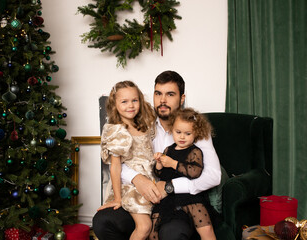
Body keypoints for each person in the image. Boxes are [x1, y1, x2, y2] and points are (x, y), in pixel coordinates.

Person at [93, 71, 221, 240]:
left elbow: (213, 176)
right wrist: (137, 178)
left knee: (171, 233)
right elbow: (121, 160)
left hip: (180, 201)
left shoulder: (194, 127)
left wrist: (170, 187)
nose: (162, 100)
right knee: (103, 221)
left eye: (170, 94)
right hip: (143, 198)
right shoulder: (142, 122)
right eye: (158, 93)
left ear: (182, 98)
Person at [97, 80, 156, 240]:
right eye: (124, 101)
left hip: (150, 182)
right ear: (115, 105)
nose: (131, 105)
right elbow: (115, 167)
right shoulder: (117, 131)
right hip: (131, 187)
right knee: (144, 227)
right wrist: (117, 198)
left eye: (134, 100)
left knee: (152, 229)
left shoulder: (145, 125)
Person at [150, 107, 217, 240]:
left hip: (190, 198)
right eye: (178, 132)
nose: (182, 137)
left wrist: (172, 163)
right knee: (153, 229)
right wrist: (159, 163)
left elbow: (195, 172)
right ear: (172, 130)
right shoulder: (168, 150)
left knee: (206, 229)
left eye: (188, 133)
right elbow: (160, 174)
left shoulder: (195, 151)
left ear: (196, 133)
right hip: (168, 198)